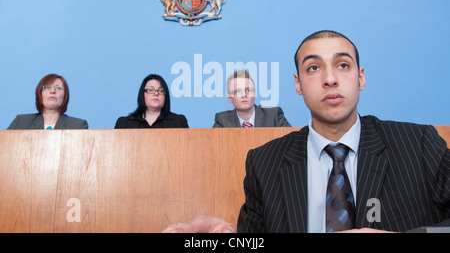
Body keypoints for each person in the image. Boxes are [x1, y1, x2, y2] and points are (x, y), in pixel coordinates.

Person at [163, 30, 450, 233]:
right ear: (298, 84)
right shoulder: (264, 163)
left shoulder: (419, 145)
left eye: (342, 65)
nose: (330, 79)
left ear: (360, 78)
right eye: (314, 68)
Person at [7, 73, 88, 130]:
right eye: (47, 87)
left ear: (65, 95)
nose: (52, 91)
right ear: (40, 93)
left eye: (58, 88)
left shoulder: (78, 126)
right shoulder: (21, 122)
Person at [213, 70, 291, 128]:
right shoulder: (222, 120)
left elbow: (292, 143)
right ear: (229, 98)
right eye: (238, 91)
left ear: (255, 94)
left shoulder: (274, 115)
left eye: (248, 90)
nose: (244, 95)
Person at [114, 74, 189, 128]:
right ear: (142, 94)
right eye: (151, 90)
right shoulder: (124, 124)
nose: (156, 93)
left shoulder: (178, 122)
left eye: (161, 90)